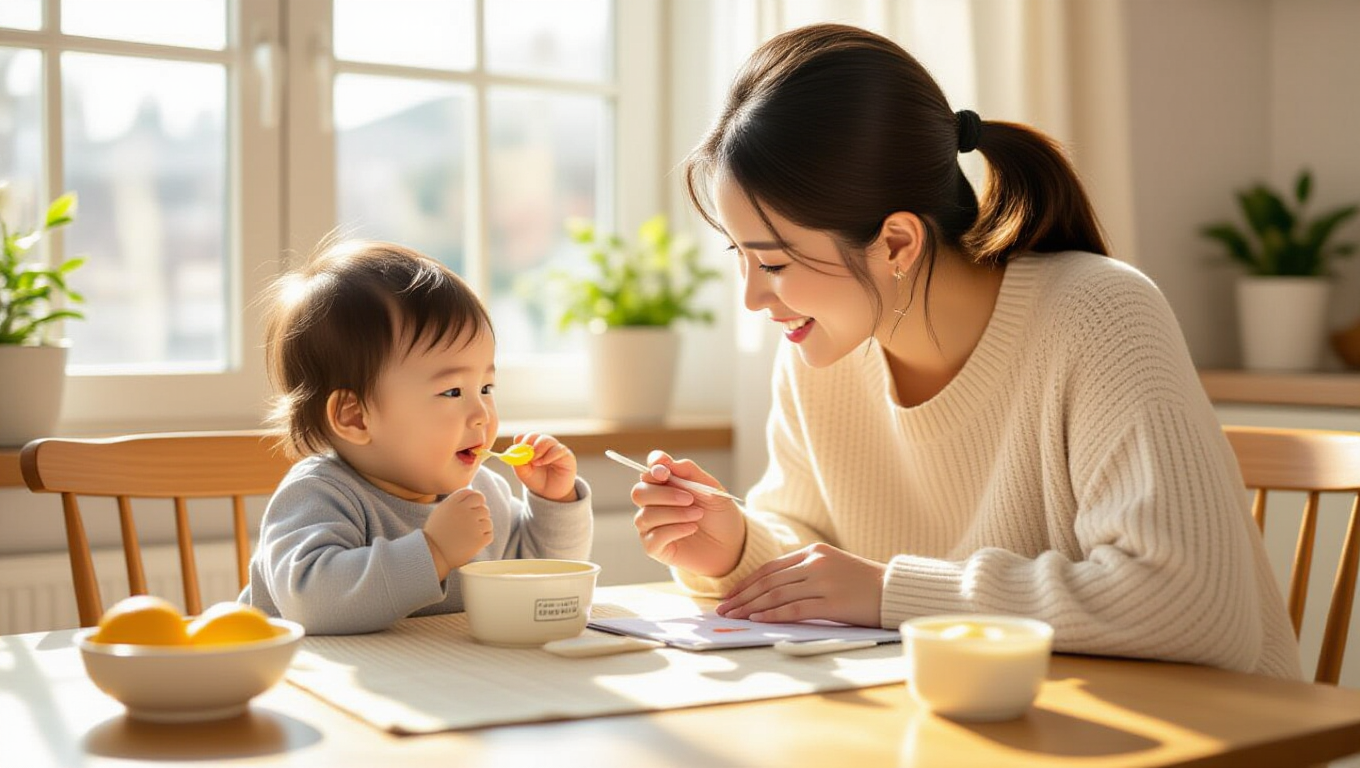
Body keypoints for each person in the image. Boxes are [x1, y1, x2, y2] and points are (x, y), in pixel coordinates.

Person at [630, 23, 1301, 678]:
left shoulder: (1101, 314)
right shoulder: (821, 350)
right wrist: (736, 548)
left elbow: (1189, 606)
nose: (752, 299)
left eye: (773, 263)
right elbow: (813, 550)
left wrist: (893, 595)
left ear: (897, 243)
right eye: (740, 258)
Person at [241, 240, 593, 634]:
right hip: (311, 686)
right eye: (452, 392)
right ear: (355, 417)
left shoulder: (483, 492)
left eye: (487, 388)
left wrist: (555, 503)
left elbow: (538, 581)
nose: (482, 414)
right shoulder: (320, 496)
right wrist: (434, 551)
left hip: (433, 680)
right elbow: (310, 603)